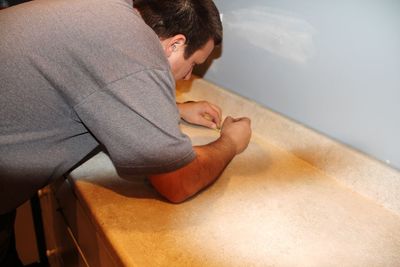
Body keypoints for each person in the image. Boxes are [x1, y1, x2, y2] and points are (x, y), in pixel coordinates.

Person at [0, 0, 251, 265]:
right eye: (194, 64)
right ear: (175, 44)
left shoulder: (110, 16)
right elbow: (177, 182)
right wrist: (230, 142)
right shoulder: (134, 46)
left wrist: (175, 109)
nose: (189, 77)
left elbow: (94, 84)